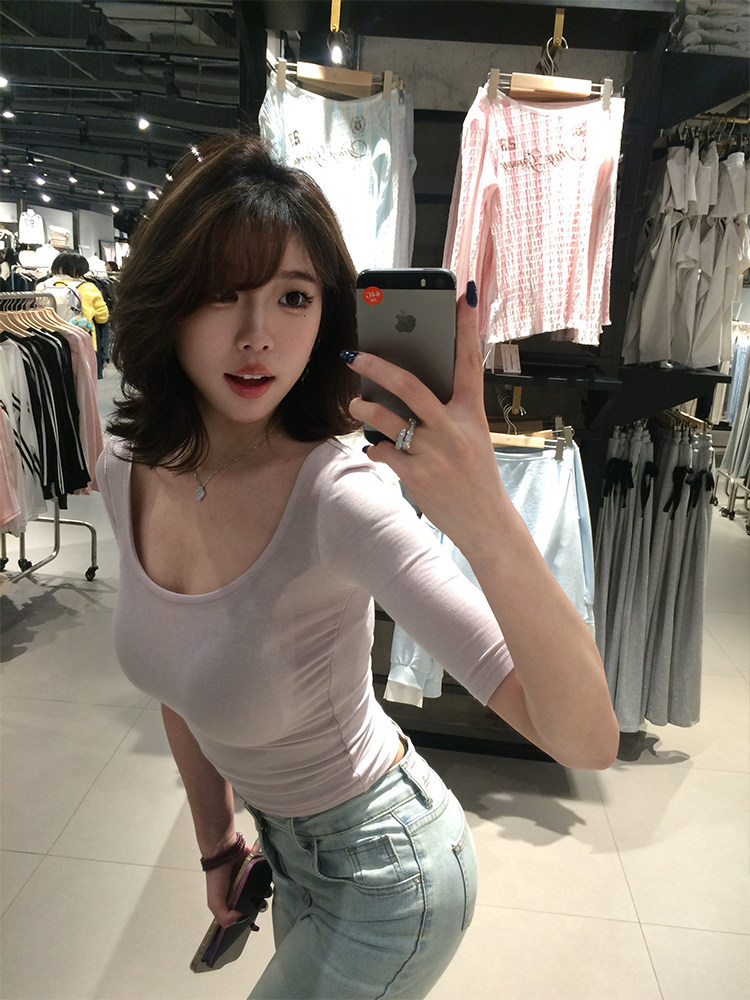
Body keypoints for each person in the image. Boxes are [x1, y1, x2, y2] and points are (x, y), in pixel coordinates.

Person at [99, 133, 619, 999]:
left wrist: (486, 515)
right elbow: (176, 681)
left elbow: (585, 739)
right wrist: (217, 842)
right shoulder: (129, 469)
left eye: (293, 297)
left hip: (389, 873)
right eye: (222, 291)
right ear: (167, 299)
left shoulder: (337, 496)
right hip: (285, 853)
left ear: (327, 317)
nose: (258, 336)